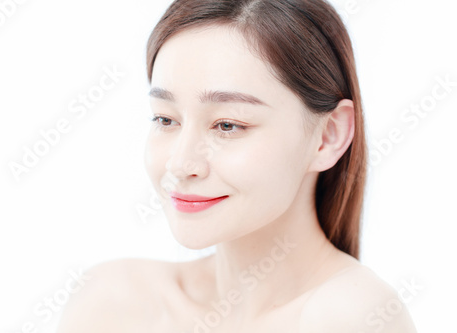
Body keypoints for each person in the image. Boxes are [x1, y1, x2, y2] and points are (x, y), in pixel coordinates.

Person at [57, 0, 418, 331]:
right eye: (165, 119)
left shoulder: (353, 315)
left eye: (228, 125)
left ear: (328, 136)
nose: (181, 164)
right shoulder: (111, 302)